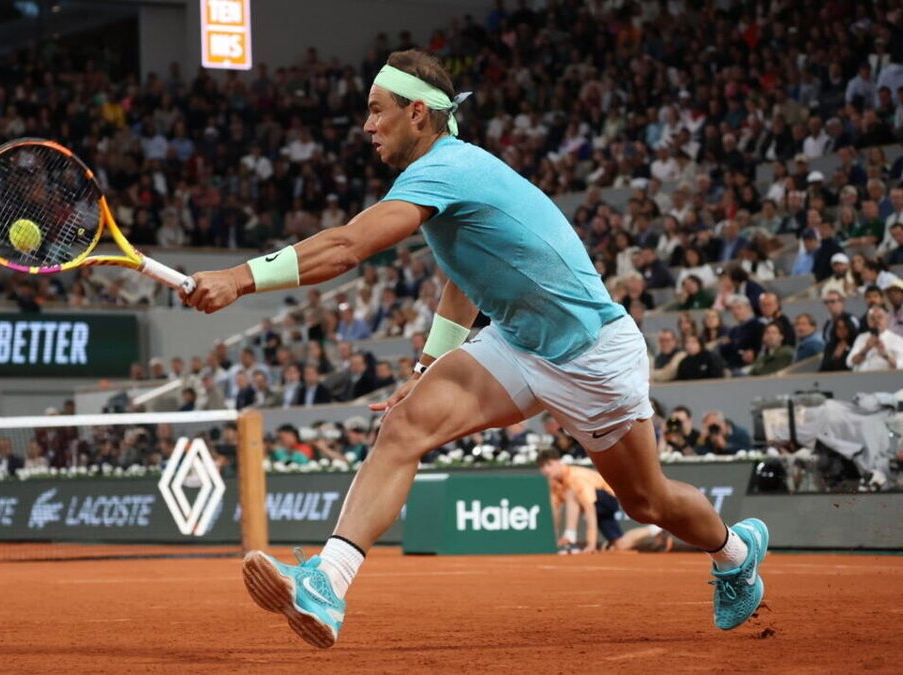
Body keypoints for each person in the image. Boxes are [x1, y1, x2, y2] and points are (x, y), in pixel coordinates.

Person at [181, 51, 767, 647]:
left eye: (377, 111)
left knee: (647, 502)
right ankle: (327, 584)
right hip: (518, 343)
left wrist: (238, 277)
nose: (367, 126)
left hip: (591, 353)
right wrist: (428, 367)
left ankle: (736, 551)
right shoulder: (439, 178)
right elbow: (465, 278)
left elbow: (346, 249)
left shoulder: (449, 168)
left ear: (418, 114)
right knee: (405, 426)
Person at [536, 449, 623, 553]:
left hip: (608, 499)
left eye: (549, 464)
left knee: (571, 492)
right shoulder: (554, 483)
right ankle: (645, 532)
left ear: (558, 461)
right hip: (600, 509)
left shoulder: (575, 477)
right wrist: (552, 539)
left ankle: (570, 538)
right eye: (542, 467)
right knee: (619, 545)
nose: (546, 469)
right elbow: (556, 510)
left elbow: (590, 508)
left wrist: (591, 543)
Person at [847, 306, 903, 372]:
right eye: (872, 318)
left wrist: (885, 355)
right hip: (861, 379)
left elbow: (901, 365)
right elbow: (850, 362)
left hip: (886, 380)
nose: (876, 321)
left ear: (887, 320)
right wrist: (866, 348)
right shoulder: (861, 338)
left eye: (879, 317)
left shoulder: (897, 339)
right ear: (868, 322)